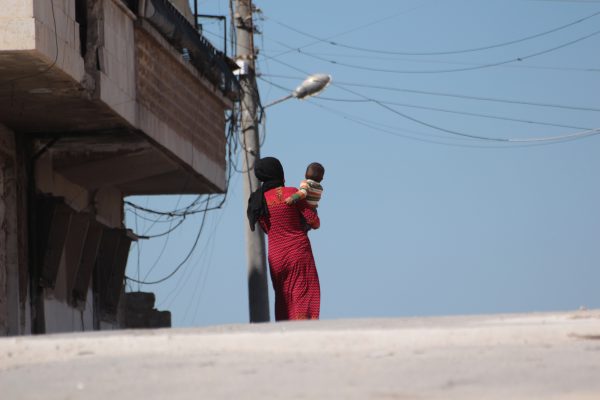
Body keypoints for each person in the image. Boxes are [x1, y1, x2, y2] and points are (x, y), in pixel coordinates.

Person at [247, 157, 321, 321]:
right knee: (304, 293)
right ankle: (303, 334)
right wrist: (313, 211)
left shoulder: (258, 202)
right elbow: (314, 222)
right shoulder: (292, 193)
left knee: (283, 298)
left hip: (276, 258)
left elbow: (267, 229)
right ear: (280, 173)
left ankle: (285, 333)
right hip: (298, 254)